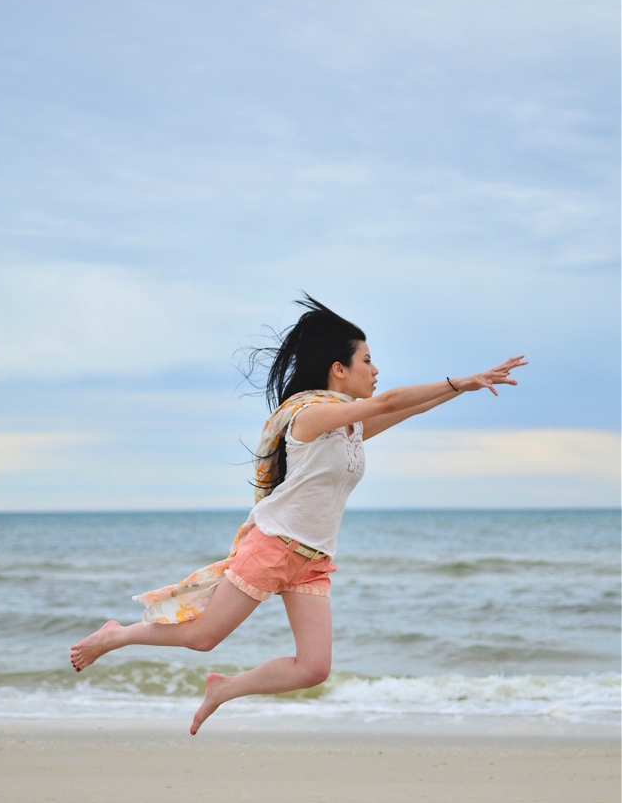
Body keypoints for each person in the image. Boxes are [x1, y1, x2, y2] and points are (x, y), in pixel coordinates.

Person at [70, 295, 526, 734]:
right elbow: (389, 402)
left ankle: (224, 689)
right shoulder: (307, 416)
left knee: (313, 669)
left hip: (312, 559)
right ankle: (116, 636)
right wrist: (459, 379)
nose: (376, 370)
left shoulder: (348, 426)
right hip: (273, 546)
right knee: (202, 638)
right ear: (339, 370)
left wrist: (465, 390)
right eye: (368, 360)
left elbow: (404, 409)